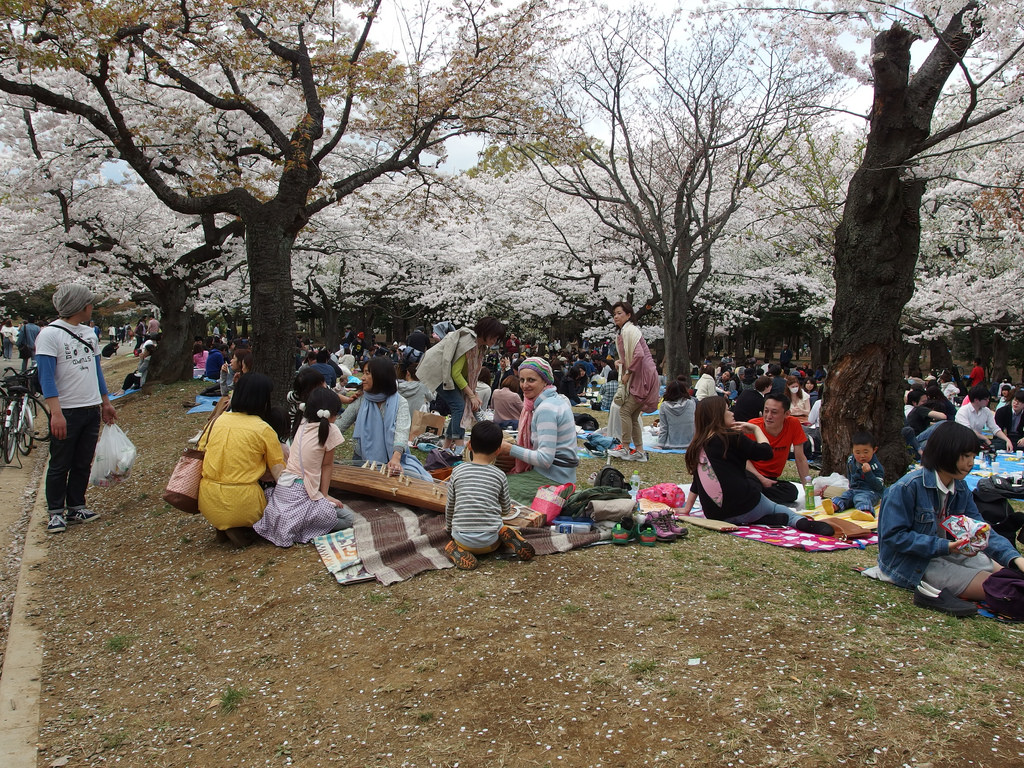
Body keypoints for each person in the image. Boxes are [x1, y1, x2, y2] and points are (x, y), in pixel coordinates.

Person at [877, 422, 1024, 616]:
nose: (971, 463)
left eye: (973, 456)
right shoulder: (906, 488)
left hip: (950, 553)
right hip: (912, 564)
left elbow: (981, 529)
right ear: (945, 452)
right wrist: (946, 547)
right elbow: (894, 537)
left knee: (1010, 574)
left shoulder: (960, 488)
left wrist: (1015, 558)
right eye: (965, 456)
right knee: (1007, 590)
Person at [677, 398, 832, 534]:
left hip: (717, 514)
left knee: (757, 489)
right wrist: (756, 430)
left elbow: (699, 479)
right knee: (782, 510)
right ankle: (798, 522)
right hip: (746, 504)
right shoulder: (731, 437)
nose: (732, 413)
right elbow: (766, 452)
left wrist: (687, 508)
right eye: (727, 410)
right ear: (717, 416)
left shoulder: (697, 446)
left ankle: (767, 519)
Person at [35, 285, 118, 534]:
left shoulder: (89, 333)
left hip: (91, 407)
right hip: (67, 410)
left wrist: (105, 401)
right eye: (89, 303)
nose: (92, 307)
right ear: (80, 306)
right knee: (61, 462)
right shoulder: (49, 335)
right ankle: (55, 512)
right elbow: (46, 378)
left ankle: (77, 505)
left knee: (83, 461)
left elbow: (96, 370)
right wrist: (56, 413)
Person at [254, 388, 354, 547]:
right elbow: (327, 465)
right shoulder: (330, 430)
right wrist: (325, 495)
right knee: (348, 518)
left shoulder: (301, 423)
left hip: (284, 488)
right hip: (304, 491)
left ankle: (293, 521)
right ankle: (303, 526)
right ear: (331, 414)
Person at [198, 373, 286, 546]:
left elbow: (201, 453)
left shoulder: (215, 422)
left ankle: (223, 522)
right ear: (263, 399)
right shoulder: (263, 429)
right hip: (245, 503)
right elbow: (279, 474)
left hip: (207, 500)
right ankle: (243, 526)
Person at [444, 421, 535, 570]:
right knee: (499, 525)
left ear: (469, 445)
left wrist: (448, 527)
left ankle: (454, 548)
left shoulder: (458, 471)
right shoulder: (499, 475)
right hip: (491, 543)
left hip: (462, 539)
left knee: (457, 532)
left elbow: (451, 506)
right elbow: (505, 509)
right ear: (498, 450)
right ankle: (504, 532)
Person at [417, 316, 506, 449]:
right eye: (493, 337)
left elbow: (471, 375)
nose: (494, 341)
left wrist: (474, 393)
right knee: (459, 407)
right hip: (441, 374)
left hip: (452, 378)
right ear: (485, 332)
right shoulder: (468, 343)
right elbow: (455, 373)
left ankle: (446, 448)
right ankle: (458, 447)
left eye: (497, 338)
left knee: (459, 408)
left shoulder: (480, 348)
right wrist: (471, 395)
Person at [497, 357, 579, 503]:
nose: (524, 385)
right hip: (563, 476)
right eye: (521, 380)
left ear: (545, 381)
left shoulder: (546, 409)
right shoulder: (555, 400)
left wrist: (509, 449)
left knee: (497, 488)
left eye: (531, 380)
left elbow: (545, 459)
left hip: (555, 479)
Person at [337, 356, 431, 480]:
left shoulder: (400, 402)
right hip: (363, 461)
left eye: (367, 373)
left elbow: (401, 432)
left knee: (424, 481)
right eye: (363, 373)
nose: (363, 378)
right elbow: (339, 426)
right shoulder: (361, 400)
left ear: (381, 376)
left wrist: (396, 459)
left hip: (394, 460)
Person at [607, 301, 659, 462]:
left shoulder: (631, 331)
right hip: (642, 375)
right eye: (614, 313)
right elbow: (631, 356)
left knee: (624, 411)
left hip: (642, 377)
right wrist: (621, 362)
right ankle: (640, 451)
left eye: (619, 313)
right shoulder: (625, 332)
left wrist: (628, 373)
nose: (616, 316)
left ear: (628, 315)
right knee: (634, 414)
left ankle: (625, 447)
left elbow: (639, 355)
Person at [746, 393, 812, 505]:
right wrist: (761, 479)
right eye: (766, 411)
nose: (768, 416)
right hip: (751, 475)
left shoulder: (793, 424)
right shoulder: (752, 427)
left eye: (774, 412)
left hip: (771, 479)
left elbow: (800, 458)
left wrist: (807, 487)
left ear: (787, 414)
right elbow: (743, 459)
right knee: (752, 487)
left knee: (791, 492)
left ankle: (759, 498)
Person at [822, 431, 884, 518]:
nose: (862, 456)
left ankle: (866, 512)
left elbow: (879, 487)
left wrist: (869, 473)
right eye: (857, 452)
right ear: (853, 450)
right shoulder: (851, 460)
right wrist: (851, 486)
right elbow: (850, 474)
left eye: (866, 452)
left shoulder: (875, 466)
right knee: (846, 496)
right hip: (854, 489)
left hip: (870, 492)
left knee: (861, 498)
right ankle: (834, 506)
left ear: (874, 450)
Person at [955, 385, 1013, 451]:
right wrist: (984, 438)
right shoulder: (963, 411)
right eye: (985, 399)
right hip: (963, 441)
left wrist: (1007, 440)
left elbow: (994, 428)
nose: (988, 401)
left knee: (1001, 443)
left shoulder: (986, 411)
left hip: (978, 440)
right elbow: (968, 431)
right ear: (976, 400)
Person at [658, 377, 695, 449]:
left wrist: (660, 444)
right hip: (690, 443)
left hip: (671, 444)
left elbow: (664, 428)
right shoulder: (691, 403)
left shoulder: (664, 406)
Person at [994, 387, 1024, 452]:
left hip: (1020, 439)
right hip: (1004, 438)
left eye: (1019, 402)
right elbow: (997, 430)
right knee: (998, 445)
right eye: (1015, 400)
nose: (1016, 403)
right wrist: (1007, 440)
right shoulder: (1002, 411)